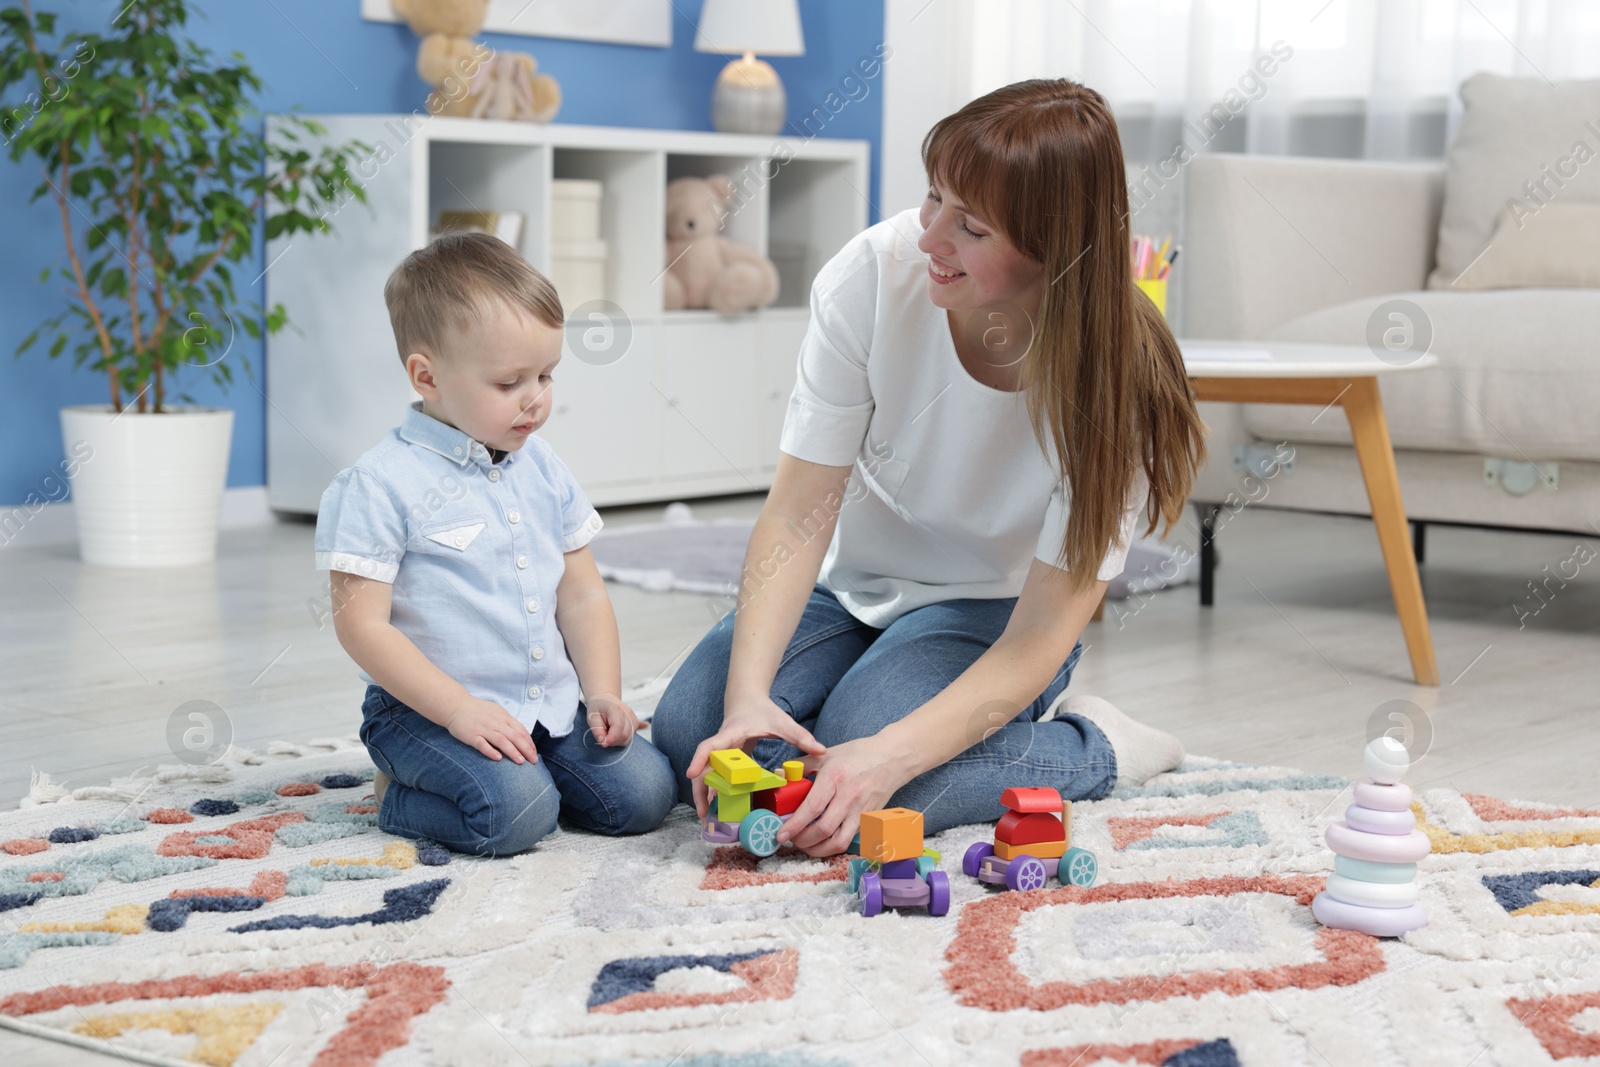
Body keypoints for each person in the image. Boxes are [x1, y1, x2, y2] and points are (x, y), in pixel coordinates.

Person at [652, 79, 1207, 857]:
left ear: (1058, 247)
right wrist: (747, 699)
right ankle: (828, 718)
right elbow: (796, 510)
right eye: (934, 198)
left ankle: (1099, 746)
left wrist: (884, 757)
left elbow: (1040, 633)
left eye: (971, 227)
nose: (929, 238)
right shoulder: (871, 277)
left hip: (992, 617)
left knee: (888, 779)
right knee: (690, 733)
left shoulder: (1121, 387)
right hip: (849, 588)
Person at [315, 232, 676, 856]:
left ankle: (535, 772)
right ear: (427, 376)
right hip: (426, 715)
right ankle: (396, 794)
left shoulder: (543, 467)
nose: (535, 399)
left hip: (548, 709)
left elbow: (583, 594)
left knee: (646, 794)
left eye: (546, 375)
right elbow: (362, 628)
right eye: (509, 382)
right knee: (518, 814)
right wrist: (458, 711)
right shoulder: (378, 485)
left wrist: (604, 691)